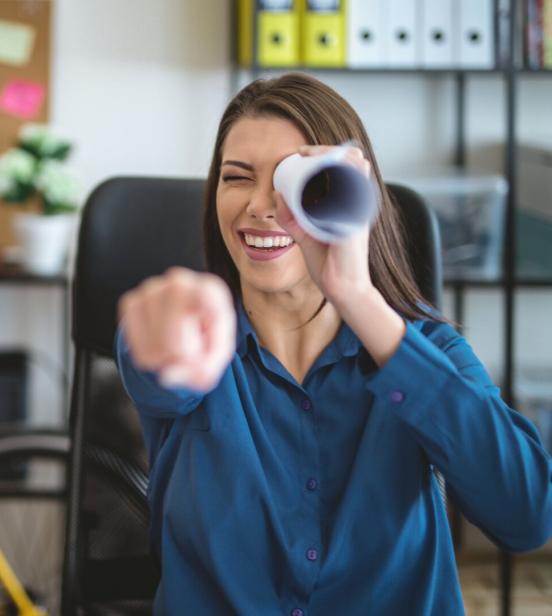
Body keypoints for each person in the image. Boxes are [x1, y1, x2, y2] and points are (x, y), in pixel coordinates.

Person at [116, 73, 552, 615]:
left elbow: (526, 515)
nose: (261, 205)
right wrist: (163, 335)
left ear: (345, 199)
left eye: (292, 182)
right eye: (236, 178)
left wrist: (356, 296)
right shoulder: (192, 333)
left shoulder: (424, 349)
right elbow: (159, 365)